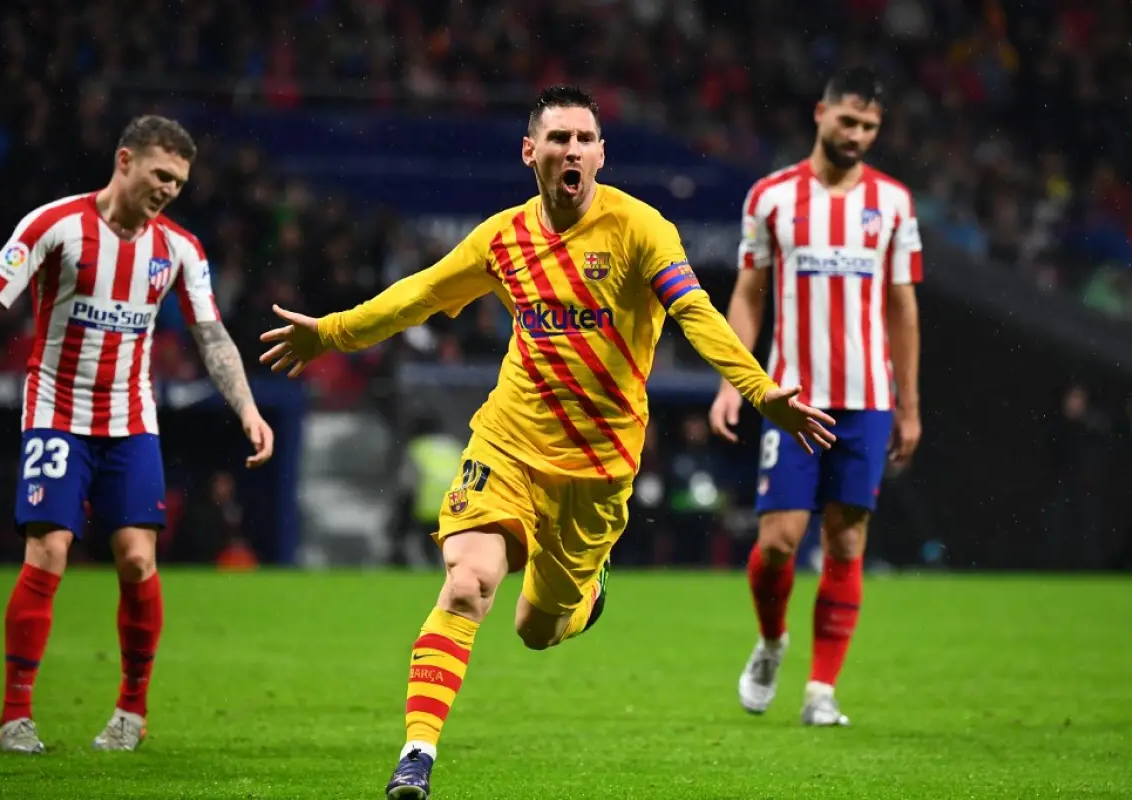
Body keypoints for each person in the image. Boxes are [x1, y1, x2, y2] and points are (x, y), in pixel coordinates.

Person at [260, 85, 836, 800]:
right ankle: (417, 755)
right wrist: (332, 332)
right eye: (558, 138)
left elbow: (695, 313)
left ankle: (584, 594)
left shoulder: (640, 228)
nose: (573, 151)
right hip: (507, 444)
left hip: (597, 471)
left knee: (537, 627)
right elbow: (421, 294)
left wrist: (758, 390)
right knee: (468, 583)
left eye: (585, 139)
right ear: (530, 150)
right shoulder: (502, 237)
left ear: (601, 153)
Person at [0, 115, 275, 754]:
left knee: (138, 559)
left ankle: (131, 714)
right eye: (160, 174)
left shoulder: (179, 249)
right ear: (124, 161)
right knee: (51, 550)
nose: (170, 189)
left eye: (179, 181)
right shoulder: (52, 225)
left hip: (130, 421)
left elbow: (212, 338)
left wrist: (249, 409)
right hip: (56, 413)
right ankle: (14, 717)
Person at [707, 67, 923, 727]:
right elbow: (749, 293)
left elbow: (902, 307)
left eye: (869, 126)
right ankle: (772, 642)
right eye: (847, 121)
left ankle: (821, 691)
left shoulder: (893, 203)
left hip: (867, 396)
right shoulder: (770, 197)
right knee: (777, 541)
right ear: (820, 112)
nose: (857, 135)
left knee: (847, 541)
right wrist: (732, 380)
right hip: (791, 396)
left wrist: (909, 405)